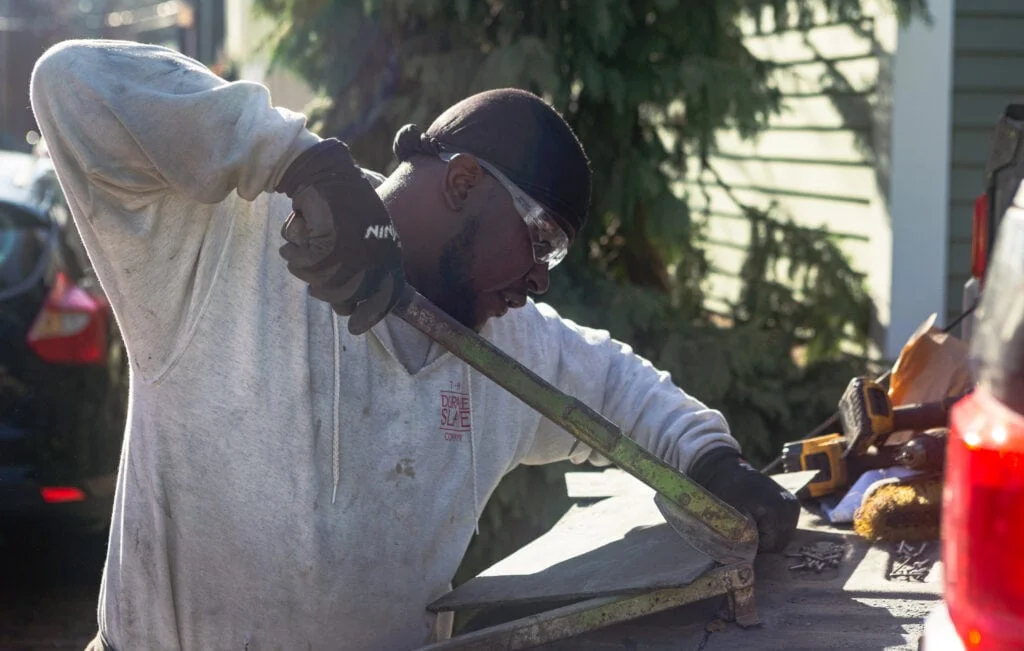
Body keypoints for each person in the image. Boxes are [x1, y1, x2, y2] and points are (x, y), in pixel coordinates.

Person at [30, 39, 799, 651]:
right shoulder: (231, 244)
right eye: (542, 241)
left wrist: (712, 462)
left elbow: (620, 392)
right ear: (463, 182)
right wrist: (297, 162)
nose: (540, 279)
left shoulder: (508, 347)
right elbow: (72, 83)